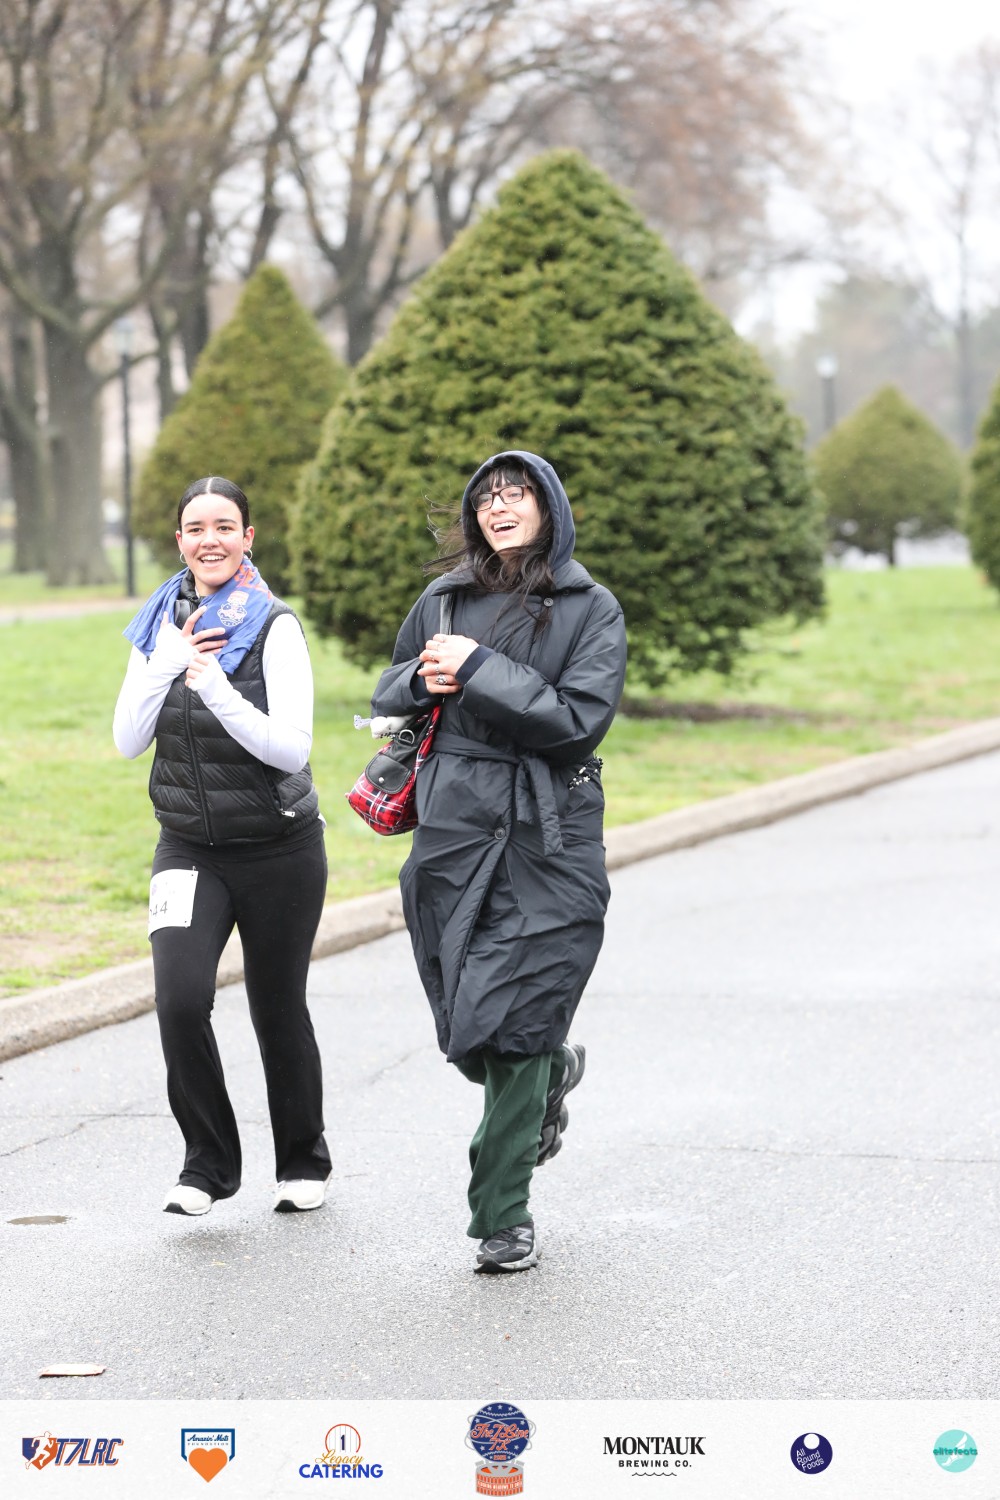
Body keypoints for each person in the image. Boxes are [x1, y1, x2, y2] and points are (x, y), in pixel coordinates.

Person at [371, 450, 627, 1271]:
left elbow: (576, 722)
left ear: (548, 508)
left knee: (516, 1022)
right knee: (466, 1024)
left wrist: (478, 670)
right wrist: (423, 680)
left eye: (517, 494)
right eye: (486, 497)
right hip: (451, 825)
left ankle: (501, 1215)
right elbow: (389, 688)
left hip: (547, 832)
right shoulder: (444, 599)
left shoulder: (591, 608)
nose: (499, 506)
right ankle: (549, 1076)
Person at [113, 476, 331, 1216]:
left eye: (225, 526)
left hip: (280, 849)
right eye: (197, 528)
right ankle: (206, 1166)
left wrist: (214, 688)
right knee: (179, 1001)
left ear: (247, 538)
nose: (211, 540)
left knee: (277, 1006)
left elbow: (291, 750)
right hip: (188, 848)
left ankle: (302, 1161)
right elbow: (126, 740)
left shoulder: (274, 626)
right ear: (179, 540)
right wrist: (166, 663)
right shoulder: (159, 625)